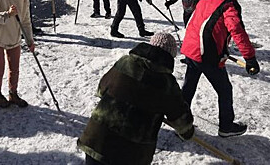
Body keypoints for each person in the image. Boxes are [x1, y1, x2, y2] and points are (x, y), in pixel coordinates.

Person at [78, 32, 195, 165]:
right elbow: (182, 123)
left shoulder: (124, 62)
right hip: (130, 153)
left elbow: (101, 89)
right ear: (170, 56)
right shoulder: (167, 84)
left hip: (97, 139)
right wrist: (188, 133)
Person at [180, 0, 260, 138]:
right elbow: (237, 30)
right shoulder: (228, 4)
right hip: (205, 54)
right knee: (224, 89)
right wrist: (250, 58)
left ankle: (180, 122)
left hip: (192, 48)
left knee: (188, 87)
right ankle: (226, 126)